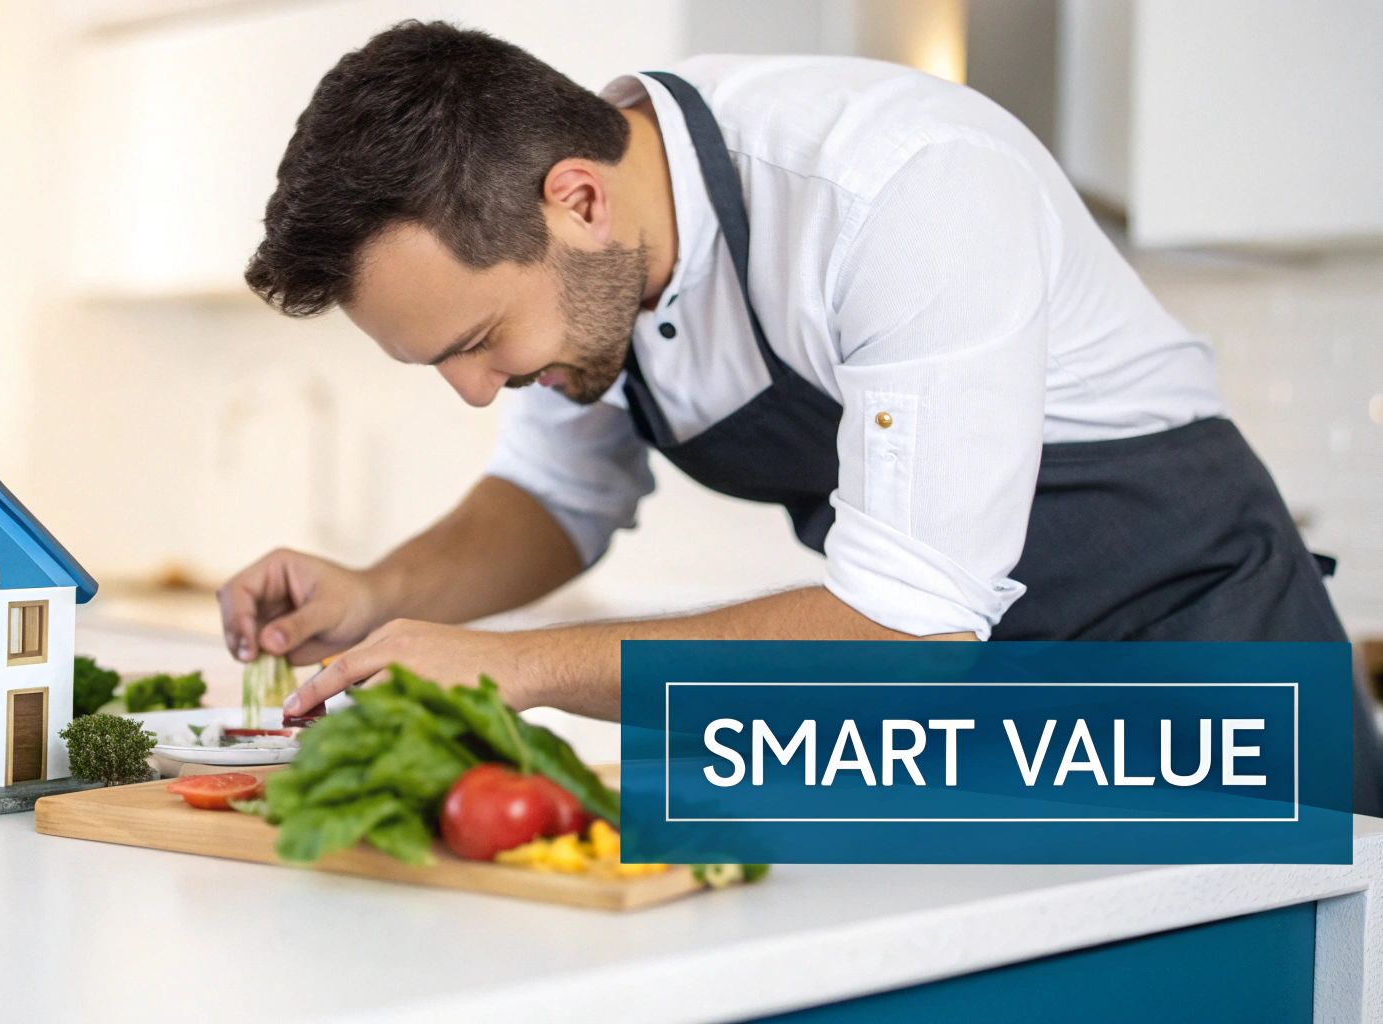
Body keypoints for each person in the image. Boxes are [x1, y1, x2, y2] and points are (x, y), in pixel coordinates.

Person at [217, 21, 1380, 813]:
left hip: (1196, 682)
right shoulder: (594, 253)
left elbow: (905, 624)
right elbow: (555, 497)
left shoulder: (899, 185)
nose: (477, 391)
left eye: (476, 343)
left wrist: (514, 665)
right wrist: (379, 595)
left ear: (575, 199)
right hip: (967, 718)